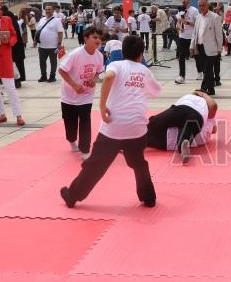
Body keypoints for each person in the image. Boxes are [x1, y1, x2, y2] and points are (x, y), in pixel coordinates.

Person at [60, 35, 159, 208]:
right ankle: (148, 197)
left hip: (115, 124)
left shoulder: (116, 65)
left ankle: (73, 195)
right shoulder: (145, 71)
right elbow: (156, 91)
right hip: (138, 126)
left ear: (122, 52)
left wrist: (101, 104)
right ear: (141, 54)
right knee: (138, 163)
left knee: (96, 164)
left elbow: (108, 77)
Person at [58, 26, 104, 160]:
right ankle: (72, 140)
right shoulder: (76, 54)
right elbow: (61, 70)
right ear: (85, 38)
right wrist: (74, 84)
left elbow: (98, 72)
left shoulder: (99, 56)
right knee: (70, 125)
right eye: (94, 37)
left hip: (86, 96)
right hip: (69, 97)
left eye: (99, 38)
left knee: (85, 120)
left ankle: (85, 150)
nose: (98, 40)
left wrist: (94, 80)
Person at [146, 91, 217, 163]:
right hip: (196, 116)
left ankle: (141, 132)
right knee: (186, 132)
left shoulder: (188, 96)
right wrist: (204, 95)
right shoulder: (205, 105)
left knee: (156, 121)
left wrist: (202, 94)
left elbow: (171, 110)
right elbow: (214, 130)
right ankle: (183, 142)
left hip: (180, 109)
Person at [191, 0, 223, 96]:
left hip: (211, 47)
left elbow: (219, 34)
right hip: (199, 47)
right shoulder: (198, 18)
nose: (201, 7)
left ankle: (203, 89)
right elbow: (195, 33)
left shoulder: (215, 17)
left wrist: (219, 48)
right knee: (206, 70)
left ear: (208, 5)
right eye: (200, 5)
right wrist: (192, 46)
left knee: (208, 69)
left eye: (203, 5)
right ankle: (211, 90)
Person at [174, 0, 201, 85]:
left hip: (192, 36)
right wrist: (179, 27)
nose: (183, 1)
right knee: (181, 56)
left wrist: (188, 22)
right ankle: (182, 76)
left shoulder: (194, 11)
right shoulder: (180, 10)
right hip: (183, 36)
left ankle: (200, 72)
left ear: (189, 0)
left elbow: (198, 24)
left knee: (197, 56)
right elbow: (178, 23)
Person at [35, 4, 64, 83]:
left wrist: (59, 43)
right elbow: (37, 31)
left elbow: (60, 33)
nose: (47, 11)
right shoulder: (42, 20)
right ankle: (43, 76)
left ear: (53, 10)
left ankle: (52, 76)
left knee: (53, 62)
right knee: (42, 62)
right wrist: (35, 41)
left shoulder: (56, 20)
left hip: (53, 46)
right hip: (41, 46)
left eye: (49, 9)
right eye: (46, 9)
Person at [3, 5, 26, 88]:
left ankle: (16, 80)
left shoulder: (7, 16)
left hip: (12, 44)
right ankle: (18, 79)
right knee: (18, 63)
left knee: (14, 63)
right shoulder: (10, 15)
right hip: (16, 44)